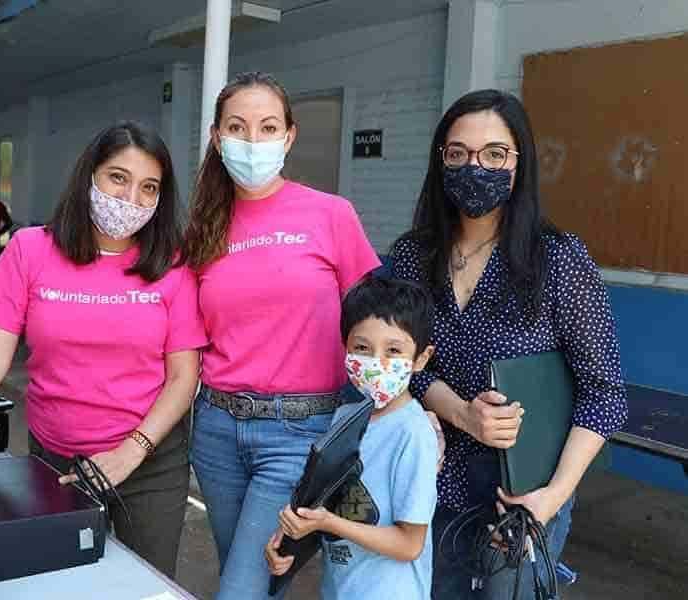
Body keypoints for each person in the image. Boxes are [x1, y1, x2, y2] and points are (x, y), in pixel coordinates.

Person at [389, 89, 628, 599]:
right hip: (430, 484)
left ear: (520, 163)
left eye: (494, 154)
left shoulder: (557, 260)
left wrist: (550, 499)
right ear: (440, 161)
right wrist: (460, 412)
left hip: (522, 497)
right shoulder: (413, 256)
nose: (475, 168)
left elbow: (604, 394)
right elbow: (403, 365)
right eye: (458, 153)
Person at [0, 121, 206, 577]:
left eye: (148, 187)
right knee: (55, 581)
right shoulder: (30, 250)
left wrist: (131, 451)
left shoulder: (173, 265)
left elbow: (183, 377)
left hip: (148, 464)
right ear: (89, 175)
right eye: (118, 178)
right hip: (54, 460)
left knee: (143, 585)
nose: (130, 198)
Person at [182, 71, 383, 600]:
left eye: (268, 127)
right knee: (250, 576)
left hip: (299, 432)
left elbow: (375, 324)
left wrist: (405, 407)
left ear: (289, 136)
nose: (253, 141)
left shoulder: (330, 214)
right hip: (217, 431)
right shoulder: (201, 229)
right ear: (217, 137)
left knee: (242, 589)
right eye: (237, 127)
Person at [265, 276, 439, 600]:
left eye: (393, 350)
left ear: (421, 359)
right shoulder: (345, 417)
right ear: (345, 347)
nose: (376, 362)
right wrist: (289, 539)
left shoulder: (413, 434)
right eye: (362, 348)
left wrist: (327, 523)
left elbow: (409, 544)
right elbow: (324, 498)